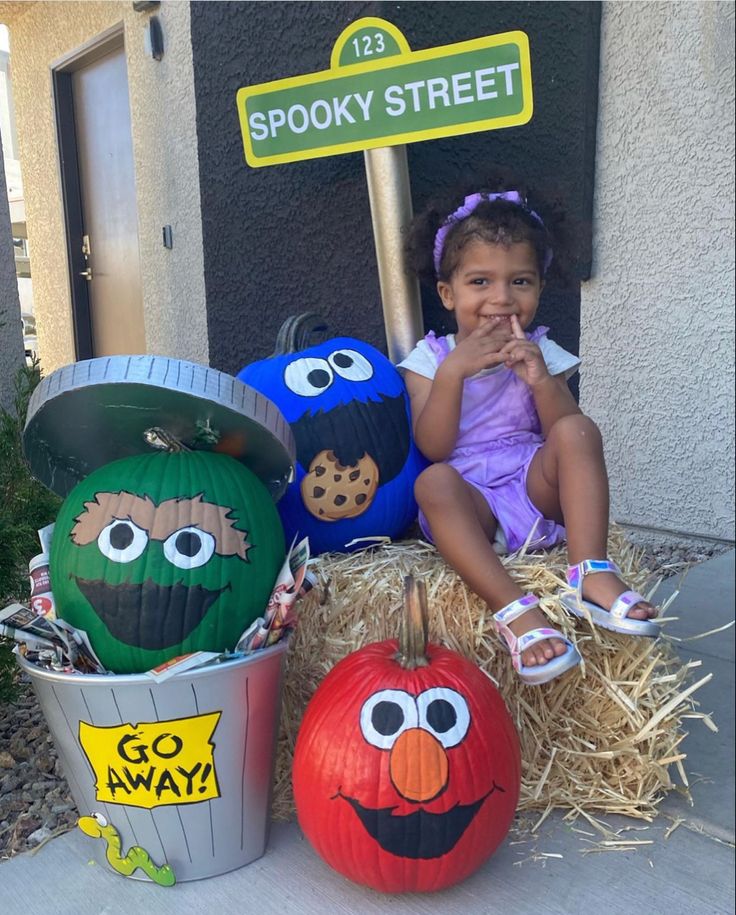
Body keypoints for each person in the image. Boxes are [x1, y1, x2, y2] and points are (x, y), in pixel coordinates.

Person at [399, 185, 659, 685]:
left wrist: (540, 381)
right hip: (471, 500)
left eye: (520, 281)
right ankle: (515, 611)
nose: (501, 298)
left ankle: (590, 574)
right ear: (447, 294)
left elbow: (562, 431)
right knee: (431, 483)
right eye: (480, 281)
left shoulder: (542, 349)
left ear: (538, 290)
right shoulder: (430, 360)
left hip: (533, 487)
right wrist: (454, 373)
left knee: (579, 428)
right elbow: (433, 446)